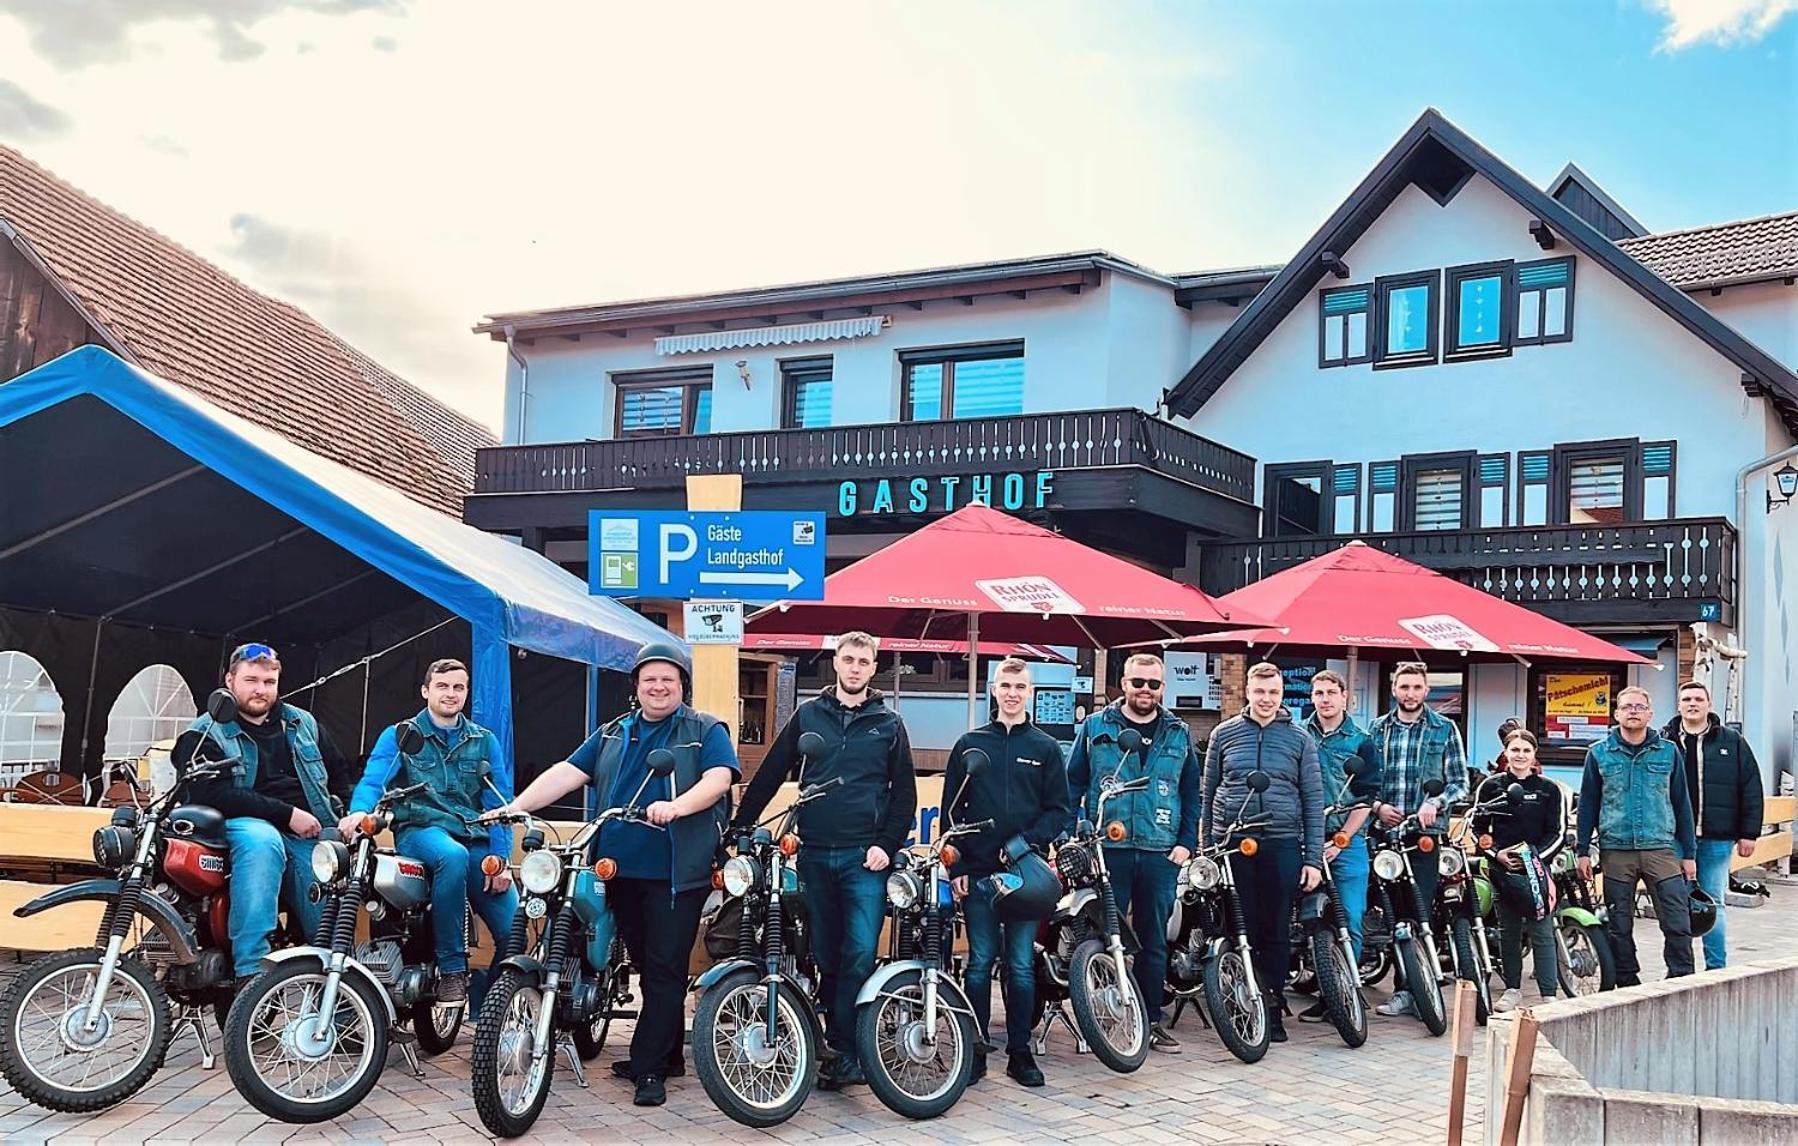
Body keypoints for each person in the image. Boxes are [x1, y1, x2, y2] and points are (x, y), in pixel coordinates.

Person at [486, 642, 737, 1107]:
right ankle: (666, 1053)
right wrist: (515, 807)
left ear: (682, 685)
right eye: (650, 679)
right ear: (637, 686)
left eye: (668, 679)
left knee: (664, 967)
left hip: (675, 872)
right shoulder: (614, 732)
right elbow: (568, 771)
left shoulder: (705, 730)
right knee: (642, 961)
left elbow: (719, 778)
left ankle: (649, 1070)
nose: (659, 687)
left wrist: (676, 806)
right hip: (615, 868)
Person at [733, 631, 917, 1092]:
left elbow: (904, 797)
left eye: (863, 661)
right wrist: (740, 825)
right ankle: (832, 1043)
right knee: (825, 953)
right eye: (848, 659)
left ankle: (848, 1051)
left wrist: (887, 845)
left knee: (858, 951)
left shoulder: (889, 724)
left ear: (874, 668)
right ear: (836, 662)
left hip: (864, 858)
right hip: (813, 853)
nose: (855, 667)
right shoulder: (807, 715)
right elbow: (772, 773)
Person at [172, 643, 354, 983]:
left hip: (308, 830)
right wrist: (287, 814)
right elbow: (208, 792)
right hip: (244, 825)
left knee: (325, 895)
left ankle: (339, 996)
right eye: (251, 680)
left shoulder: (303, 723)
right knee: (262, 841)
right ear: (230, 680)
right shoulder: (204, 731)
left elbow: (341, 773)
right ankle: (251, 974)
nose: (261, 689)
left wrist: (352, 814)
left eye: (269, 682)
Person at [338, 659, 516, 1004]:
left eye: (458, 687)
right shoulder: (400, 735)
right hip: (422, 830)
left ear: (466, 693)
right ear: (425, 691)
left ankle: (486, 1005)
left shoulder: (485, 741)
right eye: (442, 686)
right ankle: (453, 969)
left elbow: (501, 802)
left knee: (514, 932)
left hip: (474, 836)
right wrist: (359, 813)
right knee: (452, 855)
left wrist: (501, 856)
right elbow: (374, 779)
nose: (451, 694)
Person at [1066, 652, 1201, 1054]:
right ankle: (1099, 1019)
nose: (1145, 690)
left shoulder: (1178, 732)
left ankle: (1149, 1020)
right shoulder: (1094, 727)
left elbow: (1191, 792)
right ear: (1122, 684)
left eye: (1153, 684)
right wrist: (1072, 837)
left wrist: (1185, 844)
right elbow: (1072, 786)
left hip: (1160, 850)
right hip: (1108, 850)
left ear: (1163, 688)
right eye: (1137, 682)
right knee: (1103, 937)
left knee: (1153, 940)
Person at [943, 658, 1068, 1088]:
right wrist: (956, 861)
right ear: (993, 690)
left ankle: (1020, 1052)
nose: (1012, 692)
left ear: (1030, 691)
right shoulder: (969, 744)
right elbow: (951, 812)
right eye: (1005, 685)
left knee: (1019, 965)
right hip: (977, 876)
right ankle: (975, 1053)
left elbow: (1059, 812)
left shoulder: (1047, 748)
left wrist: (1027, 844)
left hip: (1025, 876)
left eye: (1020, 685)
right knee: (979, 964)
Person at [1202, 662, 1324, 1044]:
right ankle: (1242, 1002)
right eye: (1260, 692)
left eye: (1273, 692)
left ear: (1282, 694)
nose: (1266, 699)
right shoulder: (1224, 734)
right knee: (1240, 926)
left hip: (1282, 842)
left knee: (1275, 929)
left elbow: (1313, 798)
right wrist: (1206, 848)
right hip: (1232, 844)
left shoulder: (1300, 739)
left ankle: (1271, 1006)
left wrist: (1313, 858)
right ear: (1248, 693)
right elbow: (1208, 794)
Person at [1576, 686, 1697, 983]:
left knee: (1678, 921)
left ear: (1650, 714)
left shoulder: (1668, 752)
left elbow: (1682, 803)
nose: (1633, 711)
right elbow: (1588, 804)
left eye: (1639, 707)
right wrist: (1581, 850)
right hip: (1616, 851)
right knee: (1619, 924)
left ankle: (1680, 979)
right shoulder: (1599, 754)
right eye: (1627, 707)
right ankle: (1627, 982)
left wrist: (1689, 854)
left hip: (1661, 849)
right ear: (1617, 713)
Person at [1370, 661, 1469, 1017]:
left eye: (1416, 687)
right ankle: (1404, 984)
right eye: (1403, 687)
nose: (1409, 693)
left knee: (1418, 911)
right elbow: (1366, 782)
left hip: (1422, 836)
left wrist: (1436, 801)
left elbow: (1460, 782)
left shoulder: (1445, 729)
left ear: (1426, 691)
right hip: (1383, 837)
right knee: (1392, 914)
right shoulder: (1377, 730)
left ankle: (1412, 989)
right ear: (1393, 689)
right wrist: (1378, 806)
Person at [1296, 669, 1382, 1022]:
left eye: (1332, 692)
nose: (1325, 699)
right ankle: (1320, 986)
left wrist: (1341, 840)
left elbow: (1366, 798)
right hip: (1303, 841)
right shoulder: (1298, 736)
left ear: (1346, 696)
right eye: (1319, 693)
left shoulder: (1361, 741)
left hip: (1348, 841)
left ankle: (1344, 995)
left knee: (1350, 917)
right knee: (1308, 920)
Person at [1664, 680, 1763, 970]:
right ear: (1679, 705)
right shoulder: (1663, 741)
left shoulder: (1731, 741)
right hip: (1673, 839)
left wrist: (1749, 833)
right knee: (1674, 905)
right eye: (1686, 699)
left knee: (1713, 902)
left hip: (1716, 838)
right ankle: (1679, 970)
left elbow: (1751, 787)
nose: (1692, 704)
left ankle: (1716, 968)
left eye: (1698, 699)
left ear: (1709, 705)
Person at [1472, 729, 1564, 1011]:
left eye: (1526, 750)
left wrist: (1534, 859)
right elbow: (1478, 830)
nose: (1520, 755)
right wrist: (1496, 853)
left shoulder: (1549, 789)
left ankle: (1549, 994)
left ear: (1534, 754)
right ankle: (1512, 989)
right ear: (1506, 753)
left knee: (1542, 931)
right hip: (1502, 871)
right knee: (1507, 931)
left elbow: (1556, 833)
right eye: (1515, 750)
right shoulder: (1490, 787)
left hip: (1537, 872)